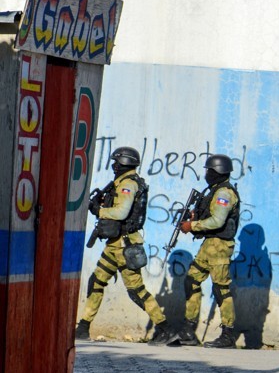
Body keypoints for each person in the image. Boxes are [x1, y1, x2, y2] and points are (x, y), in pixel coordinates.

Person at [76, 147, 175, 345]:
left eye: (116, 162)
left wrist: (100, 210)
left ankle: (166, 329)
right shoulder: (123, 183)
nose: (113, 166)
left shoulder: (128, 184)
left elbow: (121, 212)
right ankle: (83, 327)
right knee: (96, 281)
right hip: (116, 245)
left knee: (136, 291)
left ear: (123, 163)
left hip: (124, 245)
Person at [175, 154, 241, 348]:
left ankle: (228, 335)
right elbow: (209, 215)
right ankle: (189, 330)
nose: (206, 174)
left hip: (220, 247)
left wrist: (192, 225)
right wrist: (196, 215)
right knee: (191, 280)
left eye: (209, 171)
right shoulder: (214, 190)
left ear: (217, 171)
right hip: (209, 246)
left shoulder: (224, 193)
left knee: (221, 289)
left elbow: (217, 221)